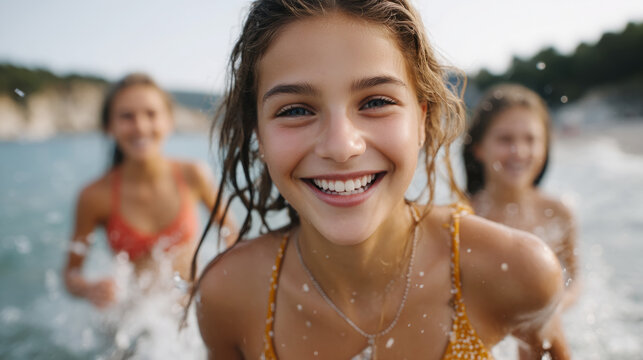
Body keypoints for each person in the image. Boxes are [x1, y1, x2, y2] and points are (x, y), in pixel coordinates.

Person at [192, 1, 564, 359]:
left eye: (375, 102)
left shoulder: (516, 272)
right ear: (258, 135)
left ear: (421, 120)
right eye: (296, 110)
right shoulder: (230, 296)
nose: (341, 146)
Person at [64, 73, 236, 309]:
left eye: (151, 114)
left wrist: (222, 276)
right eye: (127, 116)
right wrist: (90, 289)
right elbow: (71, 276)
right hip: (135, 319)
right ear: (108, 126)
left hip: (193, 310)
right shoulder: (94, 197)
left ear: (169, 122)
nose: (141, 126)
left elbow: (233, 236)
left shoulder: (193, 175)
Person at [463, 83, 579, 359]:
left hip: (551, 325)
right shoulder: (463, 215)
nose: (519, 151)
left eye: (530, 139)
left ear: (545, 146)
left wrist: (548, 310)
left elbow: (575, 279)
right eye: (505, 140)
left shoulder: (558, 211)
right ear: (479, 148)